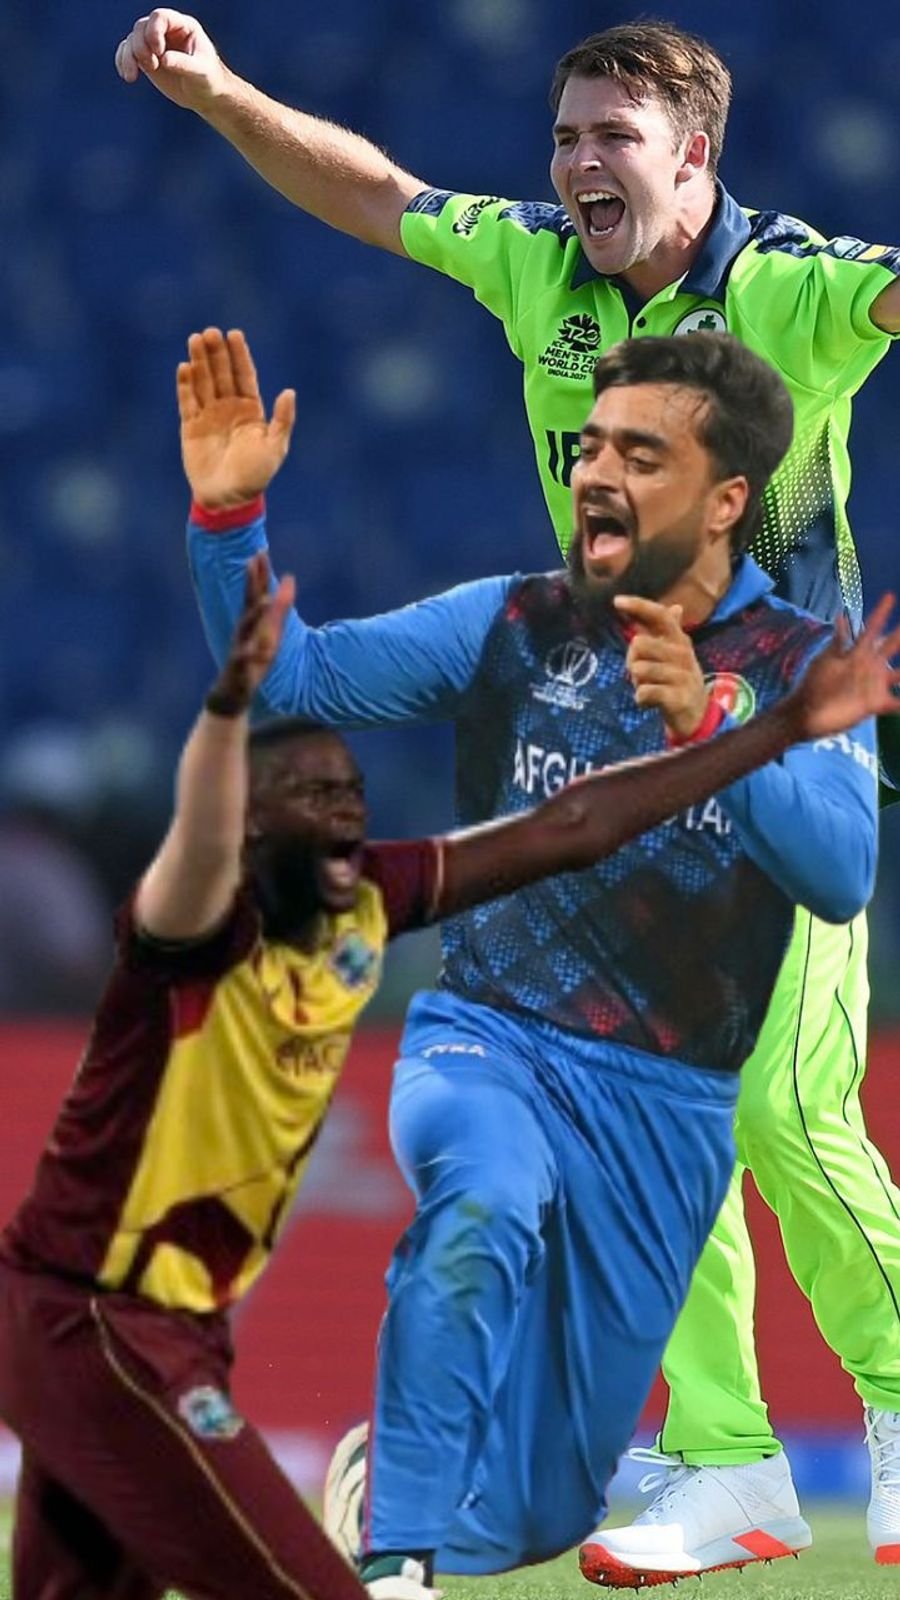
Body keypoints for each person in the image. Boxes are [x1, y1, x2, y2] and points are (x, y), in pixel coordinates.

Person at [115, 12, 900, 1576]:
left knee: (781, 1103)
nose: (577, 164)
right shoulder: (539, 265)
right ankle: (726, 1456)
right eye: (564, 136)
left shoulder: (793, 287)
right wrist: (218, 92)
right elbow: (376, 193)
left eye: (614, 137)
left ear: (696, 156)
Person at [4, 439, 868, 1600]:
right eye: (306, 797)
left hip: (173, 1320)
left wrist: (759, 731)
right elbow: (206, 821)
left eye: (349, 793)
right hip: (101, 1317)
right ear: (247, 828)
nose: (339, 812)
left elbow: (569, 827)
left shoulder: (368, 898)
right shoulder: (187, 930)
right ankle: (395, 1544)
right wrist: (227, 693)